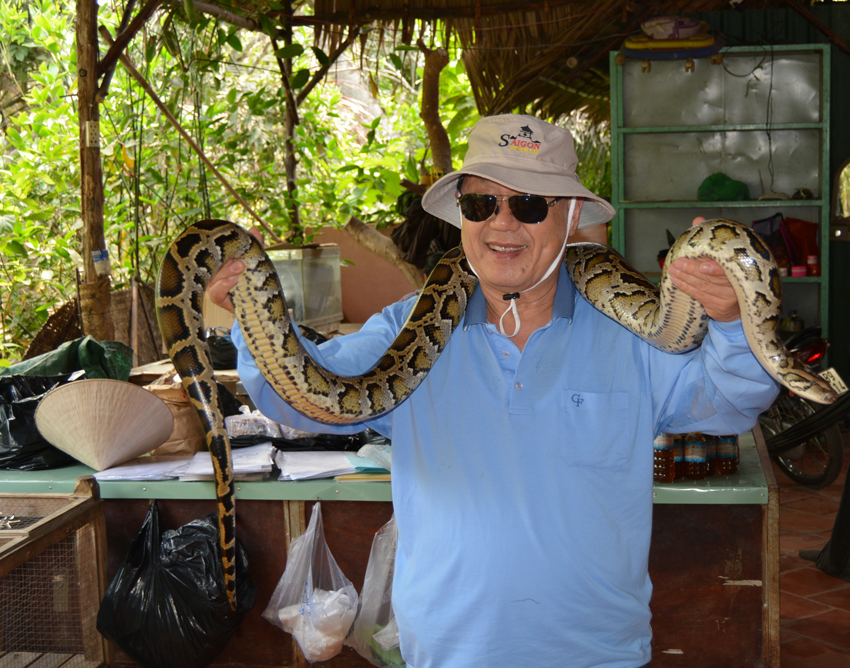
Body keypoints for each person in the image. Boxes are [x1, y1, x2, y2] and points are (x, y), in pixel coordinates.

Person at [208, 114, 779, 667]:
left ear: (570, 215)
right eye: (481, 204)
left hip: (597, 655)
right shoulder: (405, 328)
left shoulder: (632, 335)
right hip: (447, 656)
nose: (502, 224)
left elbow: (730, 405)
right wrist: (252, 312)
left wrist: (733, 321)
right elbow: (302, 398)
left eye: (528, 205)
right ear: (462, 214)